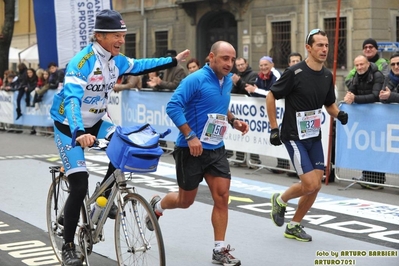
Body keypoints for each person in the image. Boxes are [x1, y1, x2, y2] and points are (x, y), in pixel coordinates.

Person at [49, 9, 190, 266]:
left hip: (98, 121)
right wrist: (79, 133)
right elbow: (71, 100)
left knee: (123, 149)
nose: (121, 40)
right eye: (117, 35)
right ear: (100, 36)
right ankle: (69, 244)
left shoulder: (116, 60)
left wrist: (171, 61)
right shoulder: (82, 62)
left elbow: (140, 64)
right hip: (70, 125)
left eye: (123, 35)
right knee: (79, 184)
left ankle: (101, 202)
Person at [148, 41, 248, 266]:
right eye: (224, 58)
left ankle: (219, 250)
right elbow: (173, 106)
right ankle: (158, 205)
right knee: (186, 201)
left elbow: (220, 106)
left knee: (222, 196)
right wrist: (190, 135)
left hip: (215, 149)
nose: (229, 64)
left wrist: (233, 121)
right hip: (189, 149)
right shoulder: (194, 79)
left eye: (232, 59)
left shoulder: (227, 81)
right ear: (211, 57)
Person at [266, 29, 348, 242]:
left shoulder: (328, 75)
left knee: (316, 185)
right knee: (310, 184)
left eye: (327, 45)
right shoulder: (295, 72)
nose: (324, 49)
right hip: (293, 136)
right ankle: (280, 199)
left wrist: (339, 114)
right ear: (308, 48)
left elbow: (328, 104)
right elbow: (271, 96)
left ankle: (294, 225)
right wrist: (274, 128)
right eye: (319, 45)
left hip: (313, 136)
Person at [344, 54, 385, 189]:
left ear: (368, 64)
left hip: (378, 117)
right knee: (366, 147)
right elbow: (352, 91)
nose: (359, 67)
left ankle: (378, 180)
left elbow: (375, 96)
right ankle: (367, 175)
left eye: (362, 64)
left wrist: (355, 98)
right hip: (364, 118)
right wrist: (349, 96)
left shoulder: (377, 75)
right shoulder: (356, 76)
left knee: (378, 148)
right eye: (357, 65)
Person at [275, 52, 304, 177]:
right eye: (293, 61)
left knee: (313, 179)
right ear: (289, 63)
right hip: (292, 126)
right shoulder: (287, 76)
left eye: (298, 61)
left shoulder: (309, 75)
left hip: (308, 126)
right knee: (307, 180)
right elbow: (272, 94)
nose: (295, 63)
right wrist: (274, 127)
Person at [230, 57, 258, 166]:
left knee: (252, 135)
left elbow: (248, 89)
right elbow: (233, 91)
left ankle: (254, 159)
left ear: (246, 63)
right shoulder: (236, 76)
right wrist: (236, 83)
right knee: (239, 132)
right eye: (238, 65)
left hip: (251, 110)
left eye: (242, 64)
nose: (240, 67)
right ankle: (240, 158)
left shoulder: (253, 75)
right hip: (240, 111)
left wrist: (239, 82)